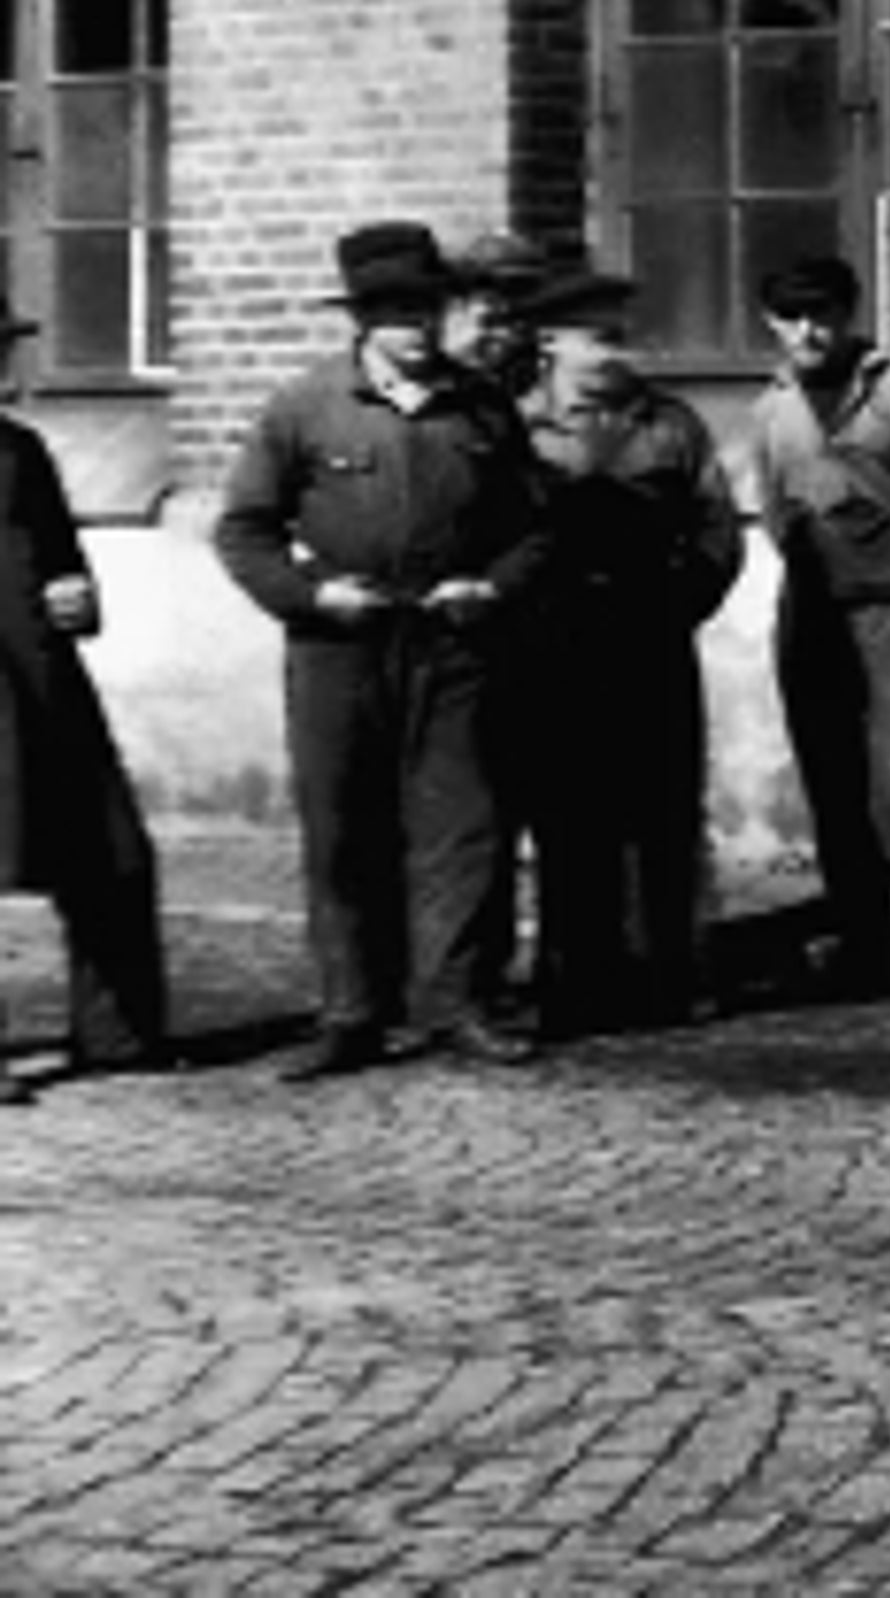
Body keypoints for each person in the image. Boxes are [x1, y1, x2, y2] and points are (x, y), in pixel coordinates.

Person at [214, 223, 553, 1079]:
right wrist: (311, 596)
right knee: (343, 829)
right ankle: (352, 1014)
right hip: (339, 649)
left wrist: (494, 589)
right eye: (393, 309)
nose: (415, 324)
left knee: (463, 827)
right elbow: (244, 531)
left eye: (426, 306)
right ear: (360, 319)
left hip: (453, 644)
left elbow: (533, 533)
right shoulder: (305, 408)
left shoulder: (481, 407)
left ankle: (458, 1004)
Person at [514, 266, 744, 1033]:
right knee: (569, 819)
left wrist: (683, 603)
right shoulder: (518, 429)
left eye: (623, 337)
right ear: (550, 342)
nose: (617, 353)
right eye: (599, 338)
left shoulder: (669, 426)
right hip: (555, 653)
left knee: (664, 813)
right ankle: (574, 981)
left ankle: (670, 975)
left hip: (652, 645)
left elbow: (718, 529)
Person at [743, 250, 890, 1003]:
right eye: (791, 317)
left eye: (823, 315)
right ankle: (866, 944)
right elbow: (777, 511)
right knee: (832, 774)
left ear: (850, 316)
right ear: (770, 323)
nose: (808, 331)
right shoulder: (771, 409)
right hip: (815, 607)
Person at [0, 293, 169, 1101]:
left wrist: (78, 590)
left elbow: (62, 555)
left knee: (112, 851)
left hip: (43, 681)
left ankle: (118, 1032)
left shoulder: (21, 451)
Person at [445, 227, 552, 1036]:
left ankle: (527, 967)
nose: (502, 328)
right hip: (450, 630)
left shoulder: (531, 392)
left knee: (524, 804)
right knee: (464, 815)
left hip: (531, 621)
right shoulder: (449, 399)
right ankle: (453, 979)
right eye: (487, 311)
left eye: (514, 311)